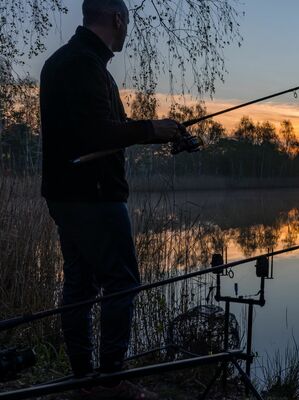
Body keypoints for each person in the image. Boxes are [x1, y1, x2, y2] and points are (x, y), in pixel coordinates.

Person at [39, 0, 180, 397]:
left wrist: (154, 135)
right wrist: (151, 128)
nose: (127, 31)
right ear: (117, 19)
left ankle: (85, 380)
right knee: (122, 282)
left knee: (80, 285)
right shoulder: (84, 65)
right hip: (94, 198)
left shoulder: (62, 62)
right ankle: (112, 381)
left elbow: (99, 132)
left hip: (66, 197)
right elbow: (97, 134)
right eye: (127, 22)